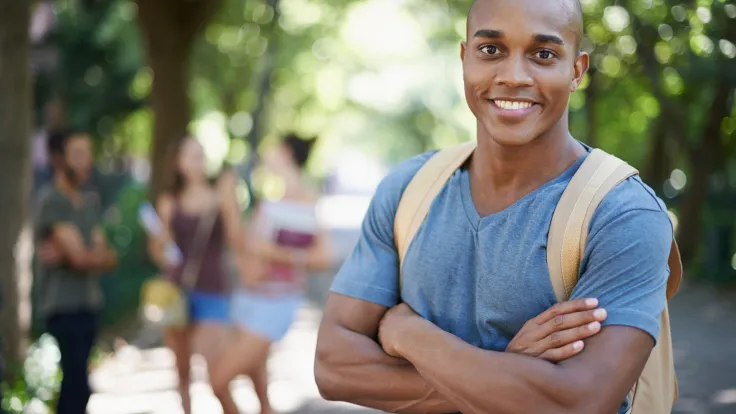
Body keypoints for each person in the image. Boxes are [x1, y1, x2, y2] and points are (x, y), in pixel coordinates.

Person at [314, 0, 675, 413]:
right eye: (491, 50)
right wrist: (508, 371)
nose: (514, 76)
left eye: (543, 54)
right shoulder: (409, 189)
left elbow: (578, 402)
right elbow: (332, 366)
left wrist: (409, 333)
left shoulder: (622, 214)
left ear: (576, 71)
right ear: (465, 58)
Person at [210, 134, 333, 414]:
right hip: (247, 300)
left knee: (218, 381)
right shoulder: (270, 204)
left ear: (286, 153)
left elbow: (323, 257)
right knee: (262, 398)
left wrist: (274, 252)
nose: (266, 155)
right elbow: (248, 257)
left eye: (272, 149)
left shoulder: (307, 203)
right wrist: (230, 208)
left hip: (275, 305)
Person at [147, 137, 250, 414]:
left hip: (212, 289)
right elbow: (158, 252)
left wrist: (230, 202)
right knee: (182, 372)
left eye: (201, 155)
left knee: (217, 377)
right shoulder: (170, 200)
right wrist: (162, 235)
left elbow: (237, 240)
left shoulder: (220, 194)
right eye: (191, 156)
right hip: (176, 292)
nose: (199, 162)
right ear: (178, 163)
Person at [35, 130, 118, 414]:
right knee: (75, 385)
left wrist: (80, 254)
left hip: (89, 303)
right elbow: (83, 257)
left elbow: (106, 257)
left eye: (88, 154)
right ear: (59, 160)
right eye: (78, 155)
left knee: (80, 385)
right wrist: (83, 254)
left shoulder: (89, 201)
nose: (86, 162)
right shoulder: (52, 201)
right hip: (62, 305)